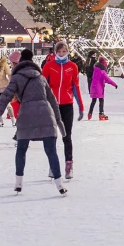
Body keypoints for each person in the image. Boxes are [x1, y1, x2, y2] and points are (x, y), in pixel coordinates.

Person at [0, 49, 67, 195]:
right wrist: (58, 120)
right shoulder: (41, 77)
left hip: (26, 115)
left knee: (21, 150)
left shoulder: (17, 77)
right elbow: (52, 100)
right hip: (45, 114)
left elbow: (6, 95)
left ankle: (18, 184)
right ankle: (60, 185)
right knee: (51, 151)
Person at [41, 41, 82, 180]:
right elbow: (42, 86)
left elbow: (76, 87)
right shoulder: (49, 66)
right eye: (59, 52)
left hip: (67, 105)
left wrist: (81, 106)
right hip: (52, 106)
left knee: (67, 136)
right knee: (51, 136)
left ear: (67, 52)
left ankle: (69, 166)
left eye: (64, 51)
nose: (61, 54)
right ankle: (53, 166)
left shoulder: (73, 67)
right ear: (55, 52)